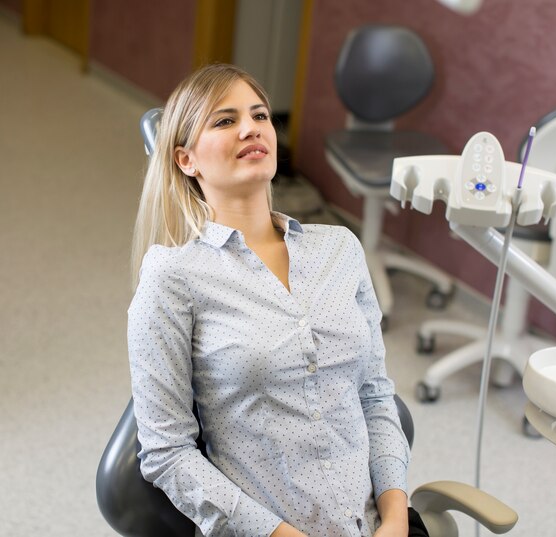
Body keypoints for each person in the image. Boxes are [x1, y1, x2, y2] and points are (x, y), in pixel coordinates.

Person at [127, 63, 428, 537]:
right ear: (186, 160)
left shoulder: (340, 249)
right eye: (225, 121)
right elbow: (167, 452)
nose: (251, 127)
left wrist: (394, 517)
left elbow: (374, 394)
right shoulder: (174, 275)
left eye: (261, 115)